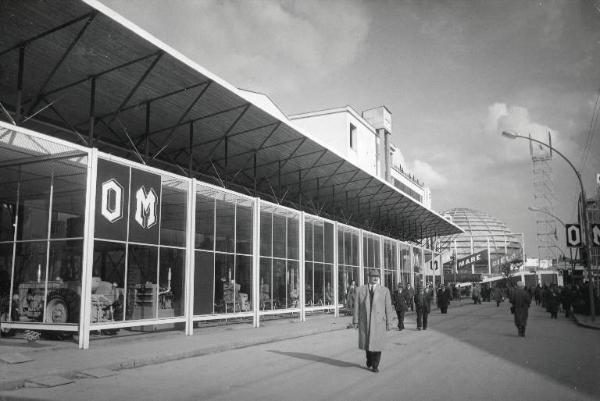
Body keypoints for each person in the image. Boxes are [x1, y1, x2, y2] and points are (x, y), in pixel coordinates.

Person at [353, 269, 394, 373]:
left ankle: (375, 365)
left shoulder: (385, 290)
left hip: (379, 322)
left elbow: (388, 308)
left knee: (378, 344)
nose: (375, 278)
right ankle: (369, 360)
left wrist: (389, 322)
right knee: (367, 344)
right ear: (369, 277)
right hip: (365, 321)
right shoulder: (360, 290)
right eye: (373, 276)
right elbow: (356, 306)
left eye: (377, 276)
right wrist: (356, 321)